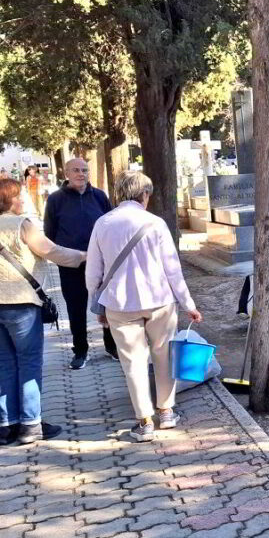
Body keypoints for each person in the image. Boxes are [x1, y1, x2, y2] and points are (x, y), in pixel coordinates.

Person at [0, 177, 86, 446]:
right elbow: (54, 252)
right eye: (19, 195)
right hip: (19, 305)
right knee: (28, 361)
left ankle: (7, 426)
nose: (23, 200)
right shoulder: (22, 225)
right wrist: (87, 256)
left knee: (4, 362)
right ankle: (30, 424)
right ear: (6, 199)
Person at [86, 171, 202, 443]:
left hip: (119, 303)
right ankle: (167, 411)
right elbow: (173, 270)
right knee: (164, 355)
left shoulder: (102, 223)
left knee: (133, 362)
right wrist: (188, 304)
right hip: (159, 300)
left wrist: (98, 305)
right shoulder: (156, 223)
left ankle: (144, 421)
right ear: (144, 194)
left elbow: (94, 271)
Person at [44, 158, 115, 369]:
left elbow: (110, 224)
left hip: (101, 263)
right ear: (66, 173)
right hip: (72, 266)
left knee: (106, 305)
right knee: (76, 308)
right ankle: (80, 351)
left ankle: (112, 346)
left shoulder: (100, 196)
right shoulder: (56, 199)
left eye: (85, 170)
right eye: (76, 170)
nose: (81, 174)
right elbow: (50, 233)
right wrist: (66, 256)